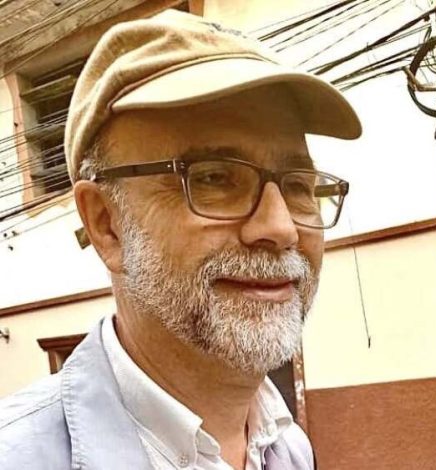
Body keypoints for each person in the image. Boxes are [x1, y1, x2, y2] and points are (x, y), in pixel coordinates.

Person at [0, 10, 361, 470]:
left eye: (297, 185)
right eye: (213, 178)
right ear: (107, 224)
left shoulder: (287, 446)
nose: (281, 228)